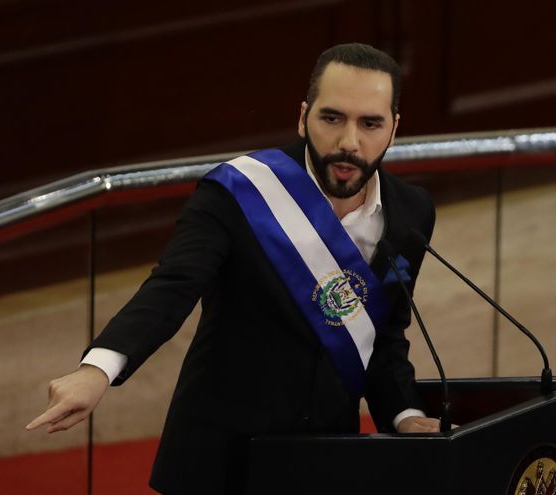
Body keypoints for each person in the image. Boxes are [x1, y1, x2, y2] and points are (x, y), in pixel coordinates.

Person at [27, 42, 439, 494]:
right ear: (303, 117)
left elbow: (383, 333)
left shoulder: (411, 213)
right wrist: (97, 370)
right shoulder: (239, 191)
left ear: (394, 128)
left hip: (326, 457)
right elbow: (172, 285)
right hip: (220, 459)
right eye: (332, 118)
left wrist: (406, 414)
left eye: (370, 123)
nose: (349, 143)